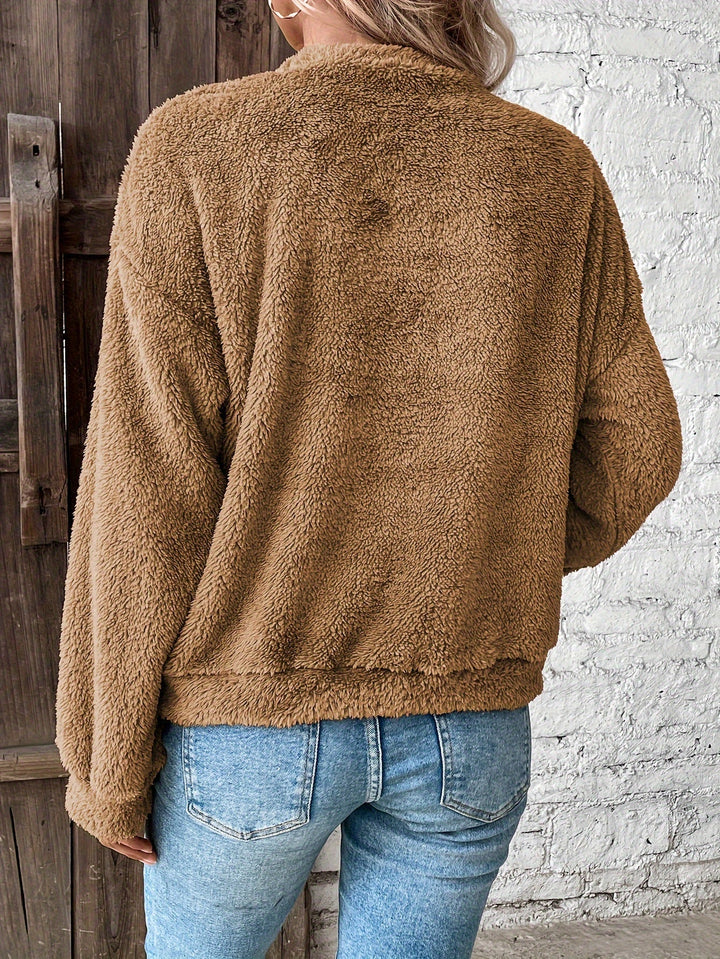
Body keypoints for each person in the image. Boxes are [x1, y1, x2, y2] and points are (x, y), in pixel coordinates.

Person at [54, 1, 683, 957]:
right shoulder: (553, 170)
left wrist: (106, 758)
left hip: (249, 721)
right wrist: (488, 555)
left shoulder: (197, 148)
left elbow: (147, 489)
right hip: (467, 719)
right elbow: (640, 447)